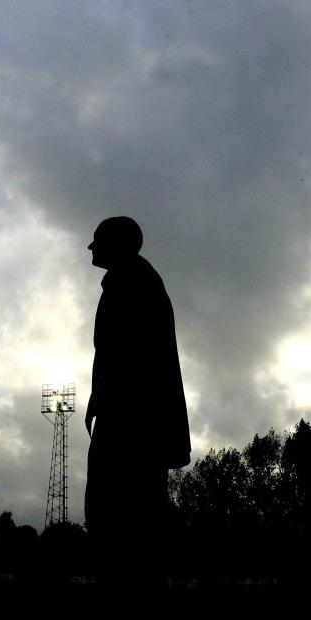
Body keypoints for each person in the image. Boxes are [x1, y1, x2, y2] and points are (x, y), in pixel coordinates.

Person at [84, 216, 190, 588]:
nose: (90, 247)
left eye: (97, 240)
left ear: (118, 243)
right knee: (121, 512)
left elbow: (130, 353)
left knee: (119, 512)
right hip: (130, 413)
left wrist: (108, 397)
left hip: (132, 419)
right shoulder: (131, 280)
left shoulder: (133, 282)